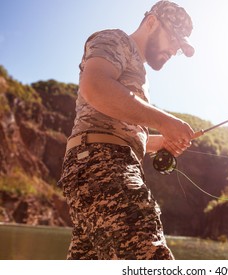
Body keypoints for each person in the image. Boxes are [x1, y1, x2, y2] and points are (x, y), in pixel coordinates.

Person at [58, 1, 195, 260]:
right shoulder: (115, 39)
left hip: (97, 167)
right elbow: (95, 86)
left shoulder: (137, 71)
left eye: (179, 47)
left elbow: (119, 130)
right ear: (151, 22)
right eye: (173, 40)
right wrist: (165, 121)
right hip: (102, 164)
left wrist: (160, 142)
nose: (174, 50)